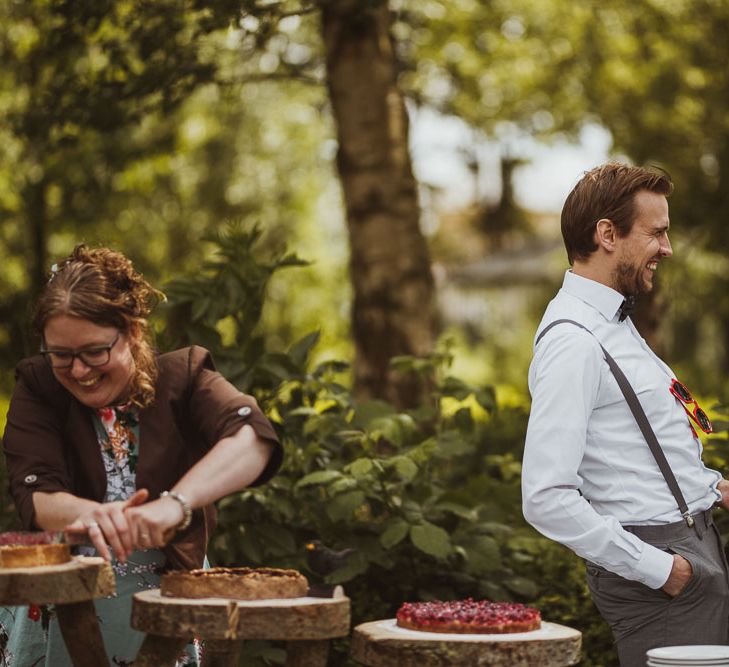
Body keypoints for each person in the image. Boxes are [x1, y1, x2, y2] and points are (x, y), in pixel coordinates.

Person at [0, 245, 282, 666]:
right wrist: (93, 515)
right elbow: (35, 491)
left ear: (132, 331)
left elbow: (252, 436)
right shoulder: (39, 385)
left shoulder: (184, 376)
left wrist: (174, 505)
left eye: (95, 351)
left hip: (168, 599)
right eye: (61, 355)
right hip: (65, 600)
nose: (79, 370)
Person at [521, 163, 729, 666]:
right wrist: (663, 570)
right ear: (607, 234)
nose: (668, 248)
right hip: (666, 570)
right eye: (657, 233)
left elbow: (636, 446)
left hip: (696, 542)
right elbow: (545, 497)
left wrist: (714, 487)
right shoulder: (574, 342)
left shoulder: (614, 319)